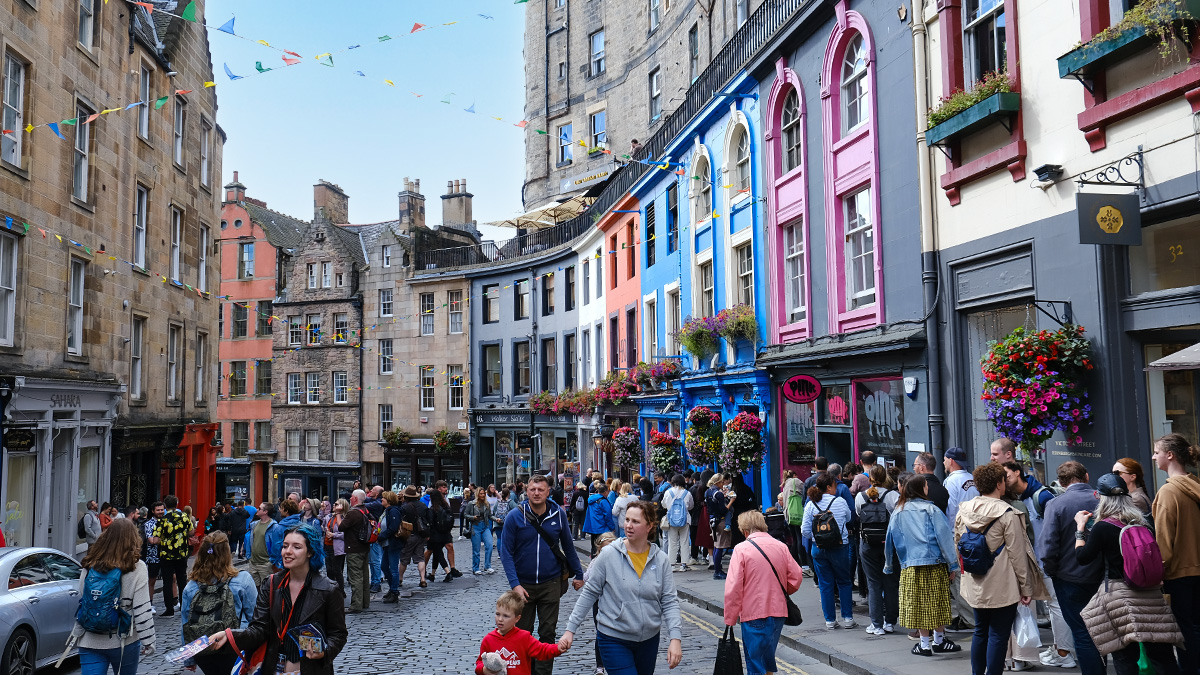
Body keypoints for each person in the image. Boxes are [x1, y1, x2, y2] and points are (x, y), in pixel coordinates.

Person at [1075, 472, 1183, 675]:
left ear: (1100, 497)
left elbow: (1082, 557)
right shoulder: (1142, 524)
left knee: (1125, 657)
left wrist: (1080, 529)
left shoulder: (1102, 527)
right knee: (1162, 657)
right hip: (1150, 596)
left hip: (1119, 596)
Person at [206, 524, 347, 675]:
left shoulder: (328, 589)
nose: (288, 552)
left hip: (311, 669)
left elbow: (338, 634)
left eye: (297, 547)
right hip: (274, 667)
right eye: (285, 546)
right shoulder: (271, 583)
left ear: (310, 552)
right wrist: (229, 636)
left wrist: (324, 651)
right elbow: (259, 629)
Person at [561, 501, 683, 674]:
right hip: (613, 637)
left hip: (649, 640)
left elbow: (669, 601)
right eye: (627, 520)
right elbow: (589, 593)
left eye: (635, 521)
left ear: (649, 526)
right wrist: (570, 630)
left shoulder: (661, 559)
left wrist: (675, 638)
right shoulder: (609, 554)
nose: (629, 525)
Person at [954, 463, 1041, 675]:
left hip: (976, 581)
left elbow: (958, 546)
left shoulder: (964, 511)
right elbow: (1018, 555)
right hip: (1003, 584)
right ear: (999, 484)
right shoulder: (1007, 514)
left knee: (980, 631)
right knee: (999, 635)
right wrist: (1026, 587)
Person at [499, 474, 585, 675]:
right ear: (526, 491)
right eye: (532, 489)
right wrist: (515, 584)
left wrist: (579, 574)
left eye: (540, 489)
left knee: (547, 633)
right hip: (523, 586)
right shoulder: (515, 516)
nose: (536, 493)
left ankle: (543, 673)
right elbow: (506, 553)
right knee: (522, 634)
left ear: (548, 492)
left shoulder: (558, 514)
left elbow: (569, 547)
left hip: (550, 583)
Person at [1002, 462, 1074, 668]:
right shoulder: (1020, 499)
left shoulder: (1041, 497)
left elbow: (1057, 528)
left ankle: (1063, 653)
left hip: (1047, 563)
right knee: (1051, 607)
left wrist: (1052, 559)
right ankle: (1061, 648)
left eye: (1007, 474)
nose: (1004, 479)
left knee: (1056, 606)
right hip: (1035, 563)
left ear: (1017, 472)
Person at [1036, 461, 1103, 675]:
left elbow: (1047, 546)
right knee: (1105, 630)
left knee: (1082, 633)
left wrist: (1052, 570)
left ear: (1062, 483)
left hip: (1069, 577)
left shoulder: (1056, 504)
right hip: (1104, 576)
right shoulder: (1103, 499)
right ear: (1086, 477)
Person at [884, 474, 962, 657]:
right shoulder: (932, 510)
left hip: (910, 566)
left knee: (918, 605)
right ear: (920, 489)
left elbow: (889, 541)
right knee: (938, 603)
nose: (927, 488)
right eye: (925, 486)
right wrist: (952, 565)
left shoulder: (899, 511)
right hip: (935, 563)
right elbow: (945, 540)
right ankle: (940, 640)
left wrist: (888, 565)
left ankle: (924, 644)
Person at [71, 518, 155, 675]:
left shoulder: (90, 564)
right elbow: (142, 608)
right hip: (124, 640)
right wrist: (148, 641)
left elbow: (83, 598)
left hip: (90, 638)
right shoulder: (137, 567)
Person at [724, 510, 803, 675]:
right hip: (779, 612)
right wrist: (782, 590)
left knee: (755, 663)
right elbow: (796, 576)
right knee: (767, 658)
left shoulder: (741, 549)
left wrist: (730, 617)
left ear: (745, 531)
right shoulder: (781, 546)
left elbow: (733, 587)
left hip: (754, 613)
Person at [1150, 433, 1200, 675]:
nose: (1153, 456)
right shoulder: (1195, 486)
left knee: (1184, 631)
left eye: (1156, 452)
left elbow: (1164, 541)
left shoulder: (1169, 493)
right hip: (1198, 568)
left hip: (1179, 573)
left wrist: (1158, 570)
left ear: (1169, 455)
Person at [180, 532, 257, 675]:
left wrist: (189, 659)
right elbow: (255, 616)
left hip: (204, 650)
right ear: (227, 553)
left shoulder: (191, 587)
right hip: (235, 645)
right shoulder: (242, 580)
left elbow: (186, 624)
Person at [801, 473, 855, 629]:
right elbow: (848, 519)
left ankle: (830, 621)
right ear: (829, 486)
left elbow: (804, 530)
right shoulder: (840, 501)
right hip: (840, 546)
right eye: (835, 485)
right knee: (844, 582)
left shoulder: (811, 504)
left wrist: (818, 538)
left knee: (825, 584)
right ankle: (848, 618)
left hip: (818, 548)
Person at [855, 464, 900, 635]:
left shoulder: (860, 497)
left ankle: (876, 624)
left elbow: (859, 516)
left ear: (870, 479)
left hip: (867, 544)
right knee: (890, 583)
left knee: (873, 584)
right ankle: (890, 622)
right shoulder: (893, 496)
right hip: (888, 544)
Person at [476, 590, 565, 675]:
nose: (500, 619)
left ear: (517, 618)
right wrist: (483, 670)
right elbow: (480, 662)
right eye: (498, 614)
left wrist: (558, 649)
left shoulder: (524, 637)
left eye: (506, 616)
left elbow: (542, 650)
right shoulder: (488, 639)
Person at [150, 495, 192, 616]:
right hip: (181, 552)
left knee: (167, 582)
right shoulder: (184, 516)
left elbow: (156, 539)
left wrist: (165, 539)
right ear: (177, 504)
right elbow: (191, 531)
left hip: (166, 554)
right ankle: (184, 606)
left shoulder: (162, 519)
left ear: (165, 505)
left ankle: (169, 609)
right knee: (182, 580)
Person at [339, 489, 373, 613]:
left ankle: (356, 604)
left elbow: (341, 527)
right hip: (364, 547)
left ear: (354, 498)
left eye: (352, 497)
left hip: (353, 548)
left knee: (356, 577)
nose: (350, 499)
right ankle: (365, 602)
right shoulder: (366, 510)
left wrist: (338, 514)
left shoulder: (353, 513)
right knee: (364, 575)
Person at [422, 481, 463, 578]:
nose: (446, 489)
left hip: (444, 529)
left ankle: (451, 569)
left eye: (446, 487)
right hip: (436, 530)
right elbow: (430, 515)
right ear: (439, 488)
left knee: (449, 546)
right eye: (444, 487)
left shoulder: (446, 499)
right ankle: (423, 568)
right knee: (431, 550)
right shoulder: (433, 499)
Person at [396, 486, 431, 591]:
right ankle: (423, 579)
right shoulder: (423, 506)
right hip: (421, 535)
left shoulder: (404, 507)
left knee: (404, 559)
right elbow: (428, 520)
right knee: (420, 558)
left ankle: (400, 579)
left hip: (408, 535)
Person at [660, 475, 694, 571]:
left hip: (671, 520)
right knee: (684, 541)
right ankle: (683, 565)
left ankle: (672, 564)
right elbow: (691, 506)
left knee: (672, 542)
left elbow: (664, 504)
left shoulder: (668, 492)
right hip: (685, 520)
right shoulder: (687, 493)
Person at [245, 502, 284, 587]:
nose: (257, 510)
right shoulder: (254, 524)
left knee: (266, 589)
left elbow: (277, 546)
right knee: (255, 590)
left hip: (265, 564)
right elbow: (251, 540)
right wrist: (249, 556)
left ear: (265, 511)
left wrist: (272, 561)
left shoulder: (274, 527)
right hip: (253, 563)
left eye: (259, 508)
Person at [379, 491, 406, 602]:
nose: (381, 500)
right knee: (384, 566)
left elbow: (393, 527)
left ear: (388, 500)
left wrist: (382, 536)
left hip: (393, 543)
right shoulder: (387, 511)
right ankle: (392, 588)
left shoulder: (393, 511)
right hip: (388, 543)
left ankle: (394, 591)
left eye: (383, 498)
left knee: (393, 568)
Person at [426, 490, 457, 583]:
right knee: (436, 554)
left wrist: (427, 534)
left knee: (439, 554)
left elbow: (430, 523)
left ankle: (448, 572)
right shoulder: (446, 506)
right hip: (445, 534)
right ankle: (432, 574)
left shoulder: (433, 509)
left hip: (435, 535)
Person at [706, 473, 732, 579]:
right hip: (720, 521)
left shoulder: (708, 491)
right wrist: (731, 502)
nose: (723, 484)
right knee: (720, 546)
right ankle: (717, 571)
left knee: (716, 545)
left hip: (712, 519)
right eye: (722, 482)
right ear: (718, 482)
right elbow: (723, 510)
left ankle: (718, 570)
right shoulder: (718, 494)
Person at [465, 487, 496, 575]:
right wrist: (473, 517)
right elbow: (465, 514)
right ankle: (476, 567)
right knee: (476, 549)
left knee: (489, 545)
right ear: (477, 494)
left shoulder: (487, 504)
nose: (482, 495)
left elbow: (490, 515)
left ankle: (487, 566)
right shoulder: (472, 504)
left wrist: (496, 519)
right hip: (476, 526)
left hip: (485, 526)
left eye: (483, 494)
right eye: (481, 494)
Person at [584, 482, 617, 557]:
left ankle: (593, 564)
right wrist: (612, 528)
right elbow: (608, 516)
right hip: (602, 528)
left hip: (592, 527)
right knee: (602, 549)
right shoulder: (603, 501)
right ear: (605, 492)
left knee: (594, 548)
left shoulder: (591, 500)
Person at [324, 499, 347, 596]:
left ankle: (340, 591)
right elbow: (324, 525)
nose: (334, 505)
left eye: (336, 504)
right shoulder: (330, 517)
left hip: (337, 547)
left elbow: (345, 534)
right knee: (329, 570)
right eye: (334, 503)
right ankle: (331, 590)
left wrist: (334, 535)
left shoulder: (344, 518)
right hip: (327, 545)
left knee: (337, 570)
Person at [729, 475, 757, 548]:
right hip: (746, 513)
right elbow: (753, 500)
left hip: (735, 514)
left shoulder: (733, 490)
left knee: (736, 533)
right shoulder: (747, 488)